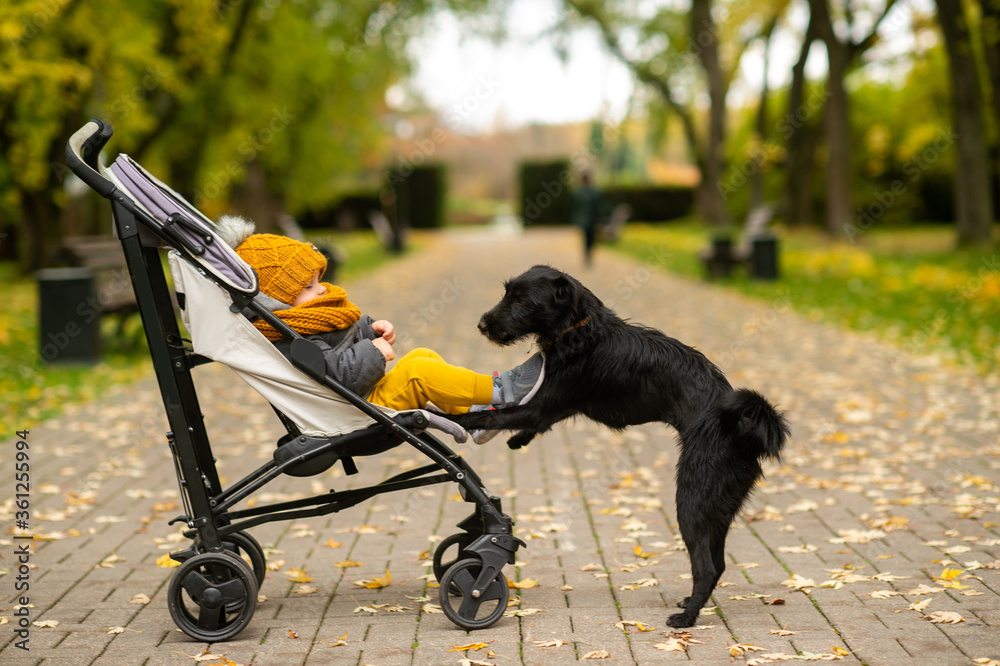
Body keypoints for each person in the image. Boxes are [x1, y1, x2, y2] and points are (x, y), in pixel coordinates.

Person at [215, 216, 542, 442]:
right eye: (308, 286)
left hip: (362, 397)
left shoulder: (305, 320)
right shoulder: (291, 337)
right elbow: (338, 374)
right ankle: (503, 391)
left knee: (421, 356)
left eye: (318, 281)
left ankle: (475, 417)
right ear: (278, 300)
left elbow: (344, 335)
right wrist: (374, 351)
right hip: (355, 411)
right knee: (420, 372)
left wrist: (372, 329)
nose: (320, 290)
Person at [571, 171, 605, 266]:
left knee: (587, 237)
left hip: (583, 220)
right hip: (592, 220)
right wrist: (601, 218)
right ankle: (589, 254)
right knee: (591, 238)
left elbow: (575, 208)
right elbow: (599, 206)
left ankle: (587, 255)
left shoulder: (578, 193)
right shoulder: (593, 192)